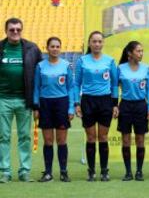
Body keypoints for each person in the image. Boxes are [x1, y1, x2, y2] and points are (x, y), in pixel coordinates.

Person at [0, 18, 42, 183]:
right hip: (3, 99)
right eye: (12, 30)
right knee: (3, 136)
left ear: (22, 30)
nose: (15, 32)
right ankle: (5, 172)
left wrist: (37, 103)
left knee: (25, 136)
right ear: (6, 31)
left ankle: (24, 171)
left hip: (25, 100)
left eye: (18, 29)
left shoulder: (32, 48)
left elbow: (40, 76)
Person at [74, 31, 119, 182]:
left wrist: (114, 104)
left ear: (103, 43)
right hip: (88, 101)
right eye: (94, 41)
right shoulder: (82, 61)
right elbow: (76, 84)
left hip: (105, 102)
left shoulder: (110, 61)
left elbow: (114, 84)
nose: (97, 44)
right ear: (89, 43)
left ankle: (104, 171)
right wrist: (76, 103)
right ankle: (91, 171)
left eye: (100, 41)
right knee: (91, 137)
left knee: (103, 136)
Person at [33, 37, 74, 182]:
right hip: (45, 104)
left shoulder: (66, 65)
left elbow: (71, 87)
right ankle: (48, 172)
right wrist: (36, 106)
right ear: (47, 48)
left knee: (62, 140)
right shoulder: (40, 66)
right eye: (52, 46)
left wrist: (70, 108)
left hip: (61, 104)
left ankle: (63, 172)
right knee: (48, 140)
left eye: (57, 46)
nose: (55, 49)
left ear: (60, 48)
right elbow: (37, 88)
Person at [117, 41, 149, 181]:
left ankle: (139, 171)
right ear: (130, 53)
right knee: (125, 140)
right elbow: (115, 88)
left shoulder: (146, 69)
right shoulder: (120, 68)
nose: (141, 54)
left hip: (140, 106)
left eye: (142, 51)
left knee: (140, 139)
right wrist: (115, 106)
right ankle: (128, 172)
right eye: (138, 51)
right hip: (125, 106)